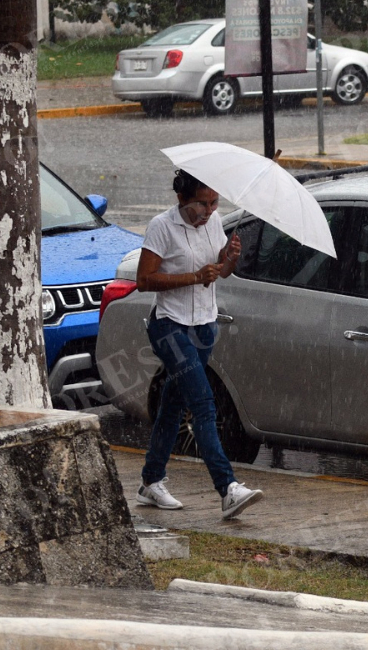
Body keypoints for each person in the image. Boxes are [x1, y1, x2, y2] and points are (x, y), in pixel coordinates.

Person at [136, 169, 263, 519]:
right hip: (170, 328)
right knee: (204, 405)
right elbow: (144, 280)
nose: (207, 211)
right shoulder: (162, 227)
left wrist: (230, 258)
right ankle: (228, 488)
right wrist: (193, 276)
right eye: (200, 204)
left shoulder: (215, 221)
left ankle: (150, 481)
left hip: (205, 326)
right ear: (181, 199)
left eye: (213, 203)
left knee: (173, 406)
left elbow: (220, 271)